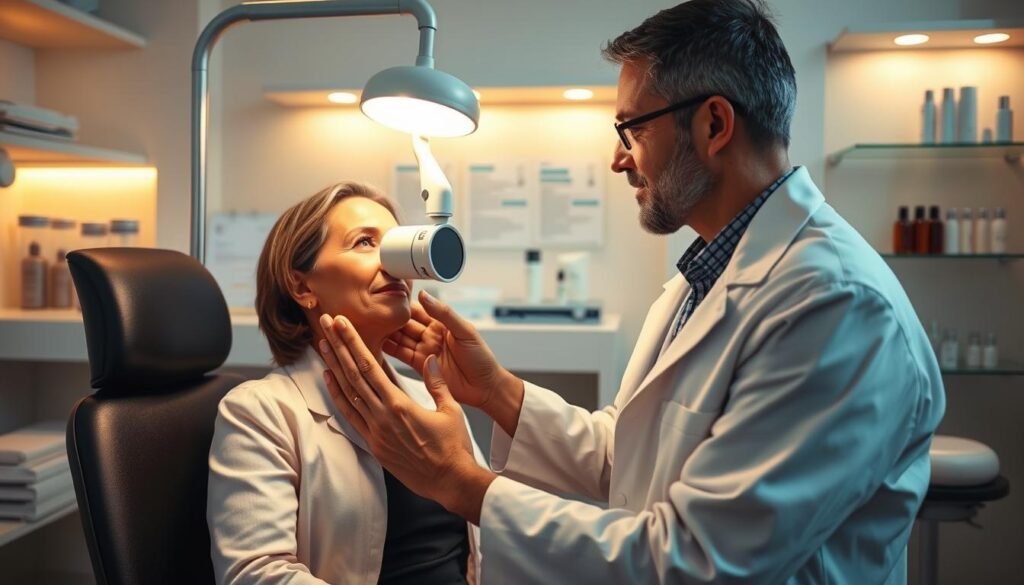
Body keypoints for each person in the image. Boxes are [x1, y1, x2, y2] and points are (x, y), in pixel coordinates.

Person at [318, 1, 946, 583]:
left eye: (632, 131)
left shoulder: (834, 307)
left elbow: (701, 561)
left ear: (714, 124)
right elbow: (632, 458)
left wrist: (460, 483)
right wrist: (499, 394)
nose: (620, 160)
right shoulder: (705, 276)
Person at [206, 182, 485, 584]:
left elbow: (486, 537)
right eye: (365, 243)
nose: (395, 263)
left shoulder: (429, 396)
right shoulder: (260, 412)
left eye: (397, 245)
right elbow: (257, 575)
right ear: (302, 287)